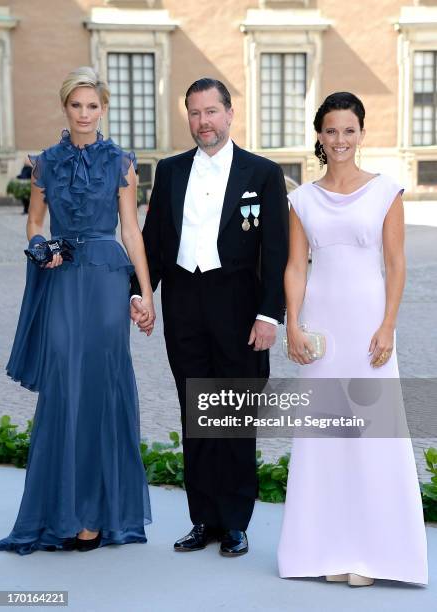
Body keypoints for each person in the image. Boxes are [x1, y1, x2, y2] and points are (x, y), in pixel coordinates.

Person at [131, 78, 289, 556]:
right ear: (188, 117)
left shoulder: (261, 172)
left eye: (212, 112)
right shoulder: (171, 170)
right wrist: (140, 294)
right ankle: (203, 519)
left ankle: (236, 521)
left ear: (230, 113)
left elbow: (276, 249)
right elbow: (155, 239)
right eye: (195, 113)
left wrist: (269, 315)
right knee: (197, 414)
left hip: (241, 308)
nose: (204, 122)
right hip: (185, 306)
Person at [0, 66, 154, 554]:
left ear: (103, 109)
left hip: (108, 279)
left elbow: (131, 230)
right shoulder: (44, 164)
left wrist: (145, 291)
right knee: (65, 384)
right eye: (76, 105)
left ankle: (95, 518)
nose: (85, 114)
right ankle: (63, 513)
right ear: (65, 109)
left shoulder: (121, 163)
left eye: (93, 106)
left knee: (104, 386)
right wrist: (44, 248)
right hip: (63, 280)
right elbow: (34, 225)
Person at [277, 92, 428, 586]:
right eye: (331, 130)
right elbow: (296, 266)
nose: (340, 139)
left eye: (349, 130)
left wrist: (388, 325)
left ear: (362, 133)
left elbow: (396, 264)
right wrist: (293, 325)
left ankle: (375, 555)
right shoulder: (300, 199)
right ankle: (326, 550)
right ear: (319, 135)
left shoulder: (387, 191)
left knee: (373, 434)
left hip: (368, 326)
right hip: (322, 330)